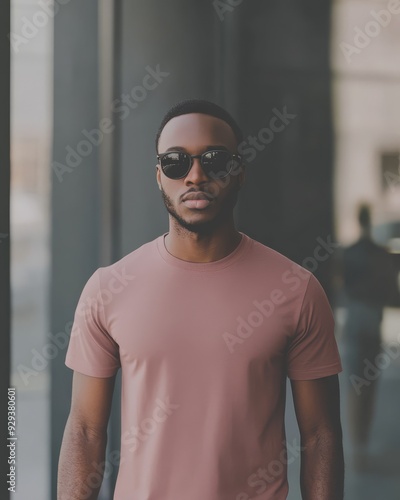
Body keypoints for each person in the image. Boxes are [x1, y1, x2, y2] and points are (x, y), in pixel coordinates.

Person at [58, 99, 344, 499]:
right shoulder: (109, 288)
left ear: (240, 171)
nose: (195, 175)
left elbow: (320, 436)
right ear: (159, 176)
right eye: (176, 162)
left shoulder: (296, 290)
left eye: (215, 160)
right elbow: (85, 430)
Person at [339, 203, 400, 470]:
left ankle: (357, 449)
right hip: (371, 323)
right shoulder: (379, 255)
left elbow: (339, 289)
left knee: (355, 386)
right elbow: (390, 292)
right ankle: (360, 446)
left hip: (354, 323)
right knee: (367, 384)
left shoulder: (348, 255)